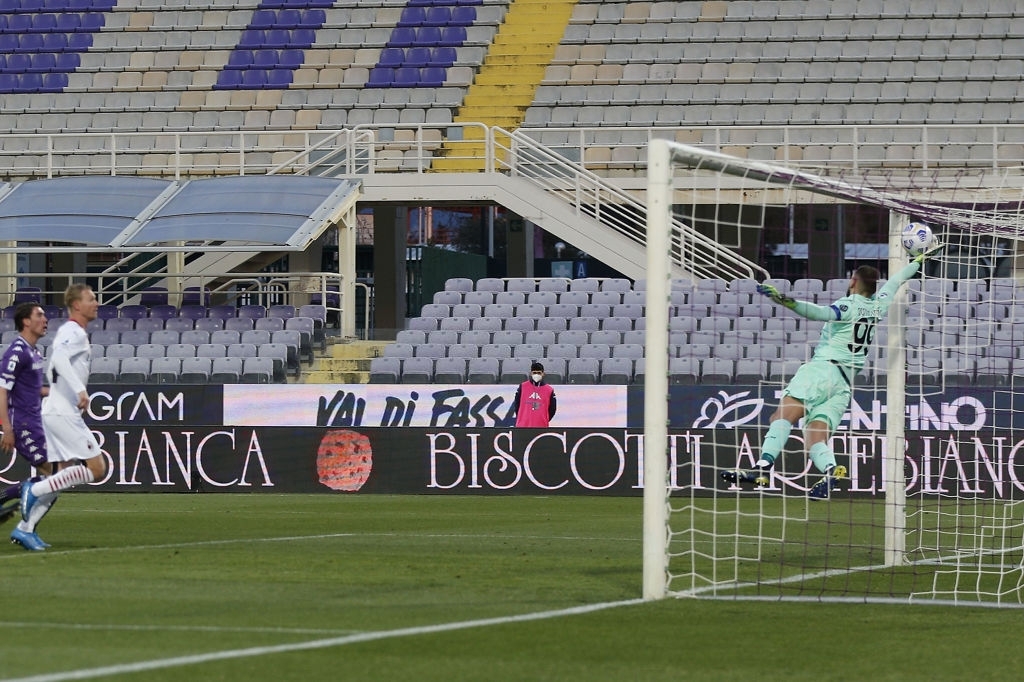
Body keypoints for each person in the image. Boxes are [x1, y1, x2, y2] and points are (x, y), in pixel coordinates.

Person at [722, 243, 943, 500]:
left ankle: (762, 468)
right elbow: (896, 280)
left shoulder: (848, 306)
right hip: (844, 385)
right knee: (815, 437)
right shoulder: (877, 307)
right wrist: (918, 262)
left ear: (853, 281)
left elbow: (819, 313)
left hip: (823, 370)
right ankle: (829, 470)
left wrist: (783, 299)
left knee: (782, 415)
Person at [16, 284, 107, 551]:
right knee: (97, 469)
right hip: (62, 412)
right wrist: (80, 389)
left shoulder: (72, 332)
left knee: (62, 474)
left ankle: (25, 529)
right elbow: (58, 360)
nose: (97, 303)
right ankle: (34, 491)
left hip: (55, 411)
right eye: (91, 299)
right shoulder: (72, 331)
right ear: (76, 305)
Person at [0, 303, 51, 539]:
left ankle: (8, 499)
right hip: (22, 423)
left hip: (34, 421)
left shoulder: (34, 352)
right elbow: (2, 391)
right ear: (26, 322)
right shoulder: (17, 352)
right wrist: (7, 428)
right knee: (55, 476)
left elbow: (31, 389)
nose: (45, 319)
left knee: (56, 476)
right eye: (39, 315)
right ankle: (25, 530)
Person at [511, 361, 557, 427]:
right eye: (534, 373)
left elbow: (552, 409)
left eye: (539, 373)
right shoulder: (523, 386)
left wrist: (544, 419)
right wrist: (521, 418)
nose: (536, 375)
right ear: (531, 373)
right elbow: (516, 404)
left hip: (541, 426)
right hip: (523, 426)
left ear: (543, 374)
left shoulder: (549, 390)